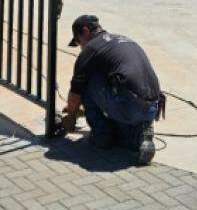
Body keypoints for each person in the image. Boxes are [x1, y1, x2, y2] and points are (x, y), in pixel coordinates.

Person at [61, 14, 163, 165]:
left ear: (85, 31)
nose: (80, 46)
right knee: (123, 138)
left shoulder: (91, 49)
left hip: (129, 105)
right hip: (152, 107)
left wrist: (71, 116)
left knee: (86, 83)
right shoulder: (121, 39)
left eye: (78, 41)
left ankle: (101, 137)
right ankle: (141, 138)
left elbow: (75, 92)